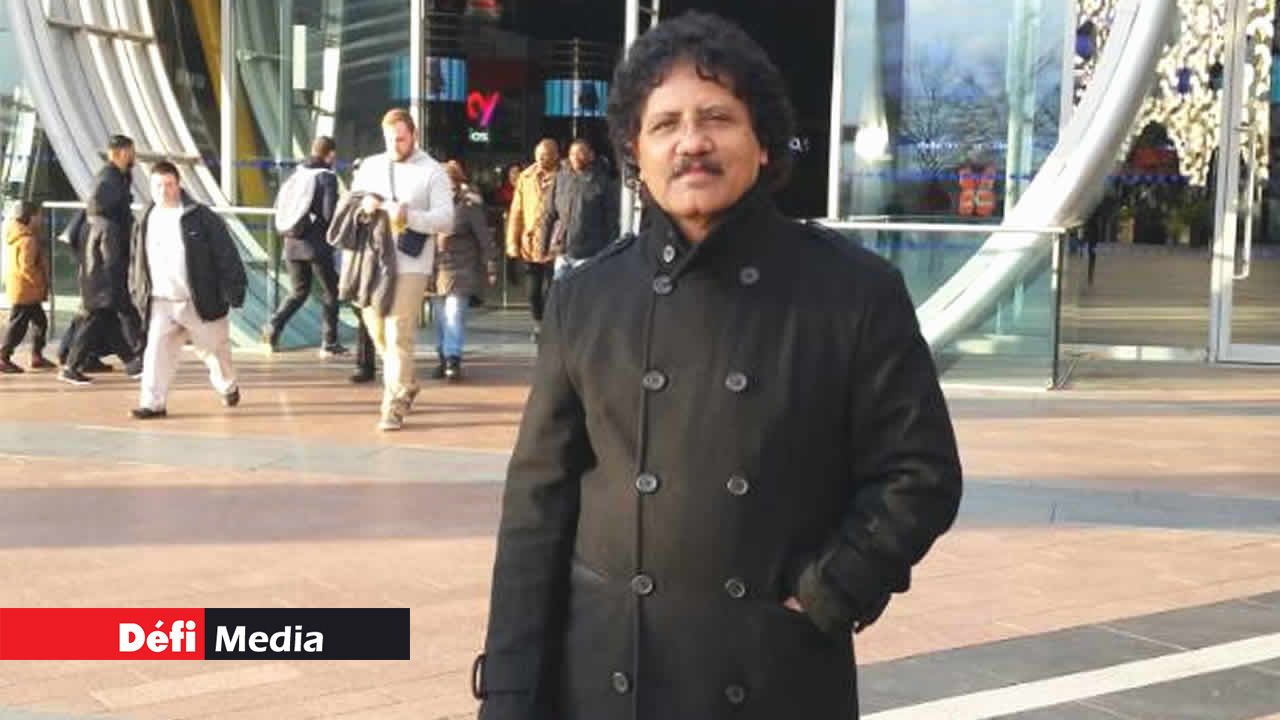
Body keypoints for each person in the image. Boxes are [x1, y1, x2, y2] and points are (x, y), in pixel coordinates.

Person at [475, 12, 963, 719]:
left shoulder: (853, 291)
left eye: (717, 118)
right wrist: (510, 692)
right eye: (665, 124)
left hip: (773, 673)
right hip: (605, 678)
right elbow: (536, 508)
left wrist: (831, 590)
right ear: (635, 151)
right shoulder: (586, 298)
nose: (692, 142)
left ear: (762, 143)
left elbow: (921, 472)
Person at [349, 108, 455, 431]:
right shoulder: (370, 166)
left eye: (401, 139)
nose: (395, 145)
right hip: (373, 260)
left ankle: (392, 406)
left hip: (411, 263)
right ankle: (406, 382)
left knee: (398, 331)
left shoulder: (433, 171)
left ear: (414, 135)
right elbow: (349, 205)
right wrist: (364, 206)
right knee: (377, 329)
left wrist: (408, 216)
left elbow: (446, 219)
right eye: (390, 140)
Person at [127, 161, 247, 419]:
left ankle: (228, 386)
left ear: (178, 185)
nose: (163, 190)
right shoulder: (146, 218)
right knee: (156, 353)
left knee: (215, 351)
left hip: (199, 300)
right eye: (158, 185)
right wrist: (136, 290)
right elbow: (136, 260)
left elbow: (226, 254)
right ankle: (152, 403)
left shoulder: (201, 217)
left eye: (169, 184)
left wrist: (233, 289)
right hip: (161, 301)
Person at [61, 134, 146, 385]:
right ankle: (74, 365)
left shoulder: (117, 179)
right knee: (100, 313)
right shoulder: (108, 183)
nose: (134, 156)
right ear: (121, 153)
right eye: (131, 152)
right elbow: (104, 221)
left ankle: (131, 363)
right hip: (103, 265)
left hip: (104, 263)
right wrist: (114, 260)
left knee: (105, 314)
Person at [261, 136, 344, 356]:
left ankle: (273, 325)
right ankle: (329, 342)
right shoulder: (327, 177)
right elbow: (329, 213)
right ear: (330, 154)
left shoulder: (296, 174)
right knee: (331, 291)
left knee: (299, 291)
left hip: (291, 243)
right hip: (316, 245)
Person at [429, 160, 497, 381]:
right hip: (435, 267)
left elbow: (484, 236)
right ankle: (442, 355)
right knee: (439, 316)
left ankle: (452, 358)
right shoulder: (429, 204)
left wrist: (490, 263)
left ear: (456, 182)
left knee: (454, 313)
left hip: (461, 266)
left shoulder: (468, 206)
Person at [542, 138, 620, 279]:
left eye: (580, 153)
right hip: (563, 252)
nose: (575, 157)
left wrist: (609, 252)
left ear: (591, 156)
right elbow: (549, 213)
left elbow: (611, 219)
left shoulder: (601, 182)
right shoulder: (560, 178)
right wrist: (543, 246)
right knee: (560, 290)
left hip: (590, 253)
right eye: (572, 154)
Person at [505, 138, 559, 336]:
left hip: (555, 241)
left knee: (552, 288)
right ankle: (539, 321)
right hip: (531, 241)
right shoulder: (526, 177)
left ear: (555, 156)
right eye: (538, 155)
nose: (541, 159)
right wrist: (512, 242)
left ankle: (550, 326)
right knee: (532, 291)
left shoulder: (565, 175)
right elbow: (516, 212)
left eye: (545, 155)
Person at [1, 201, 54, 373]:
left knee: (40, 322)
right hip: (26, 291)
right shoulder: (28, 240)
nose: (40, 219)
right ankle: (3, 357)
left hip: (20, 288)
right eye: (37, 215)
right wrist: (40, 284)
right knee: (18, 326)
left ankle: (36, 355)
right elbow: (27, 267)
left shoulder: (16, 235)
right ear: (30, 217)